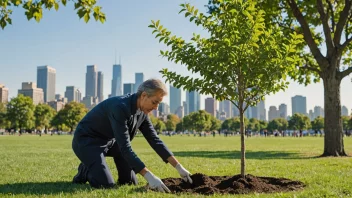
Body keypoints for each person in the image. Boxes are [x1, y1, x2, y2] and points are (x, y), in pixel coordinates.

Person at [72, 79, 192, 192]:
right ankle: (85, 170)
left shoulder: (143, 112)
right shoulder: (120, 107)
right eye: (155, 102)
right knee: (106, 185)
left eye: (159, 103)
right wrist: (149, 176)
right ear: (144, 95)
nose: (156, 107)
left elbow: (154, 140)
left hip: (110, 142)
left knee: (129, 182)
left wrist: (179, 167)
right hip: (87, 141)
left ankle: (92, 162)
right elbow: (125, 147)